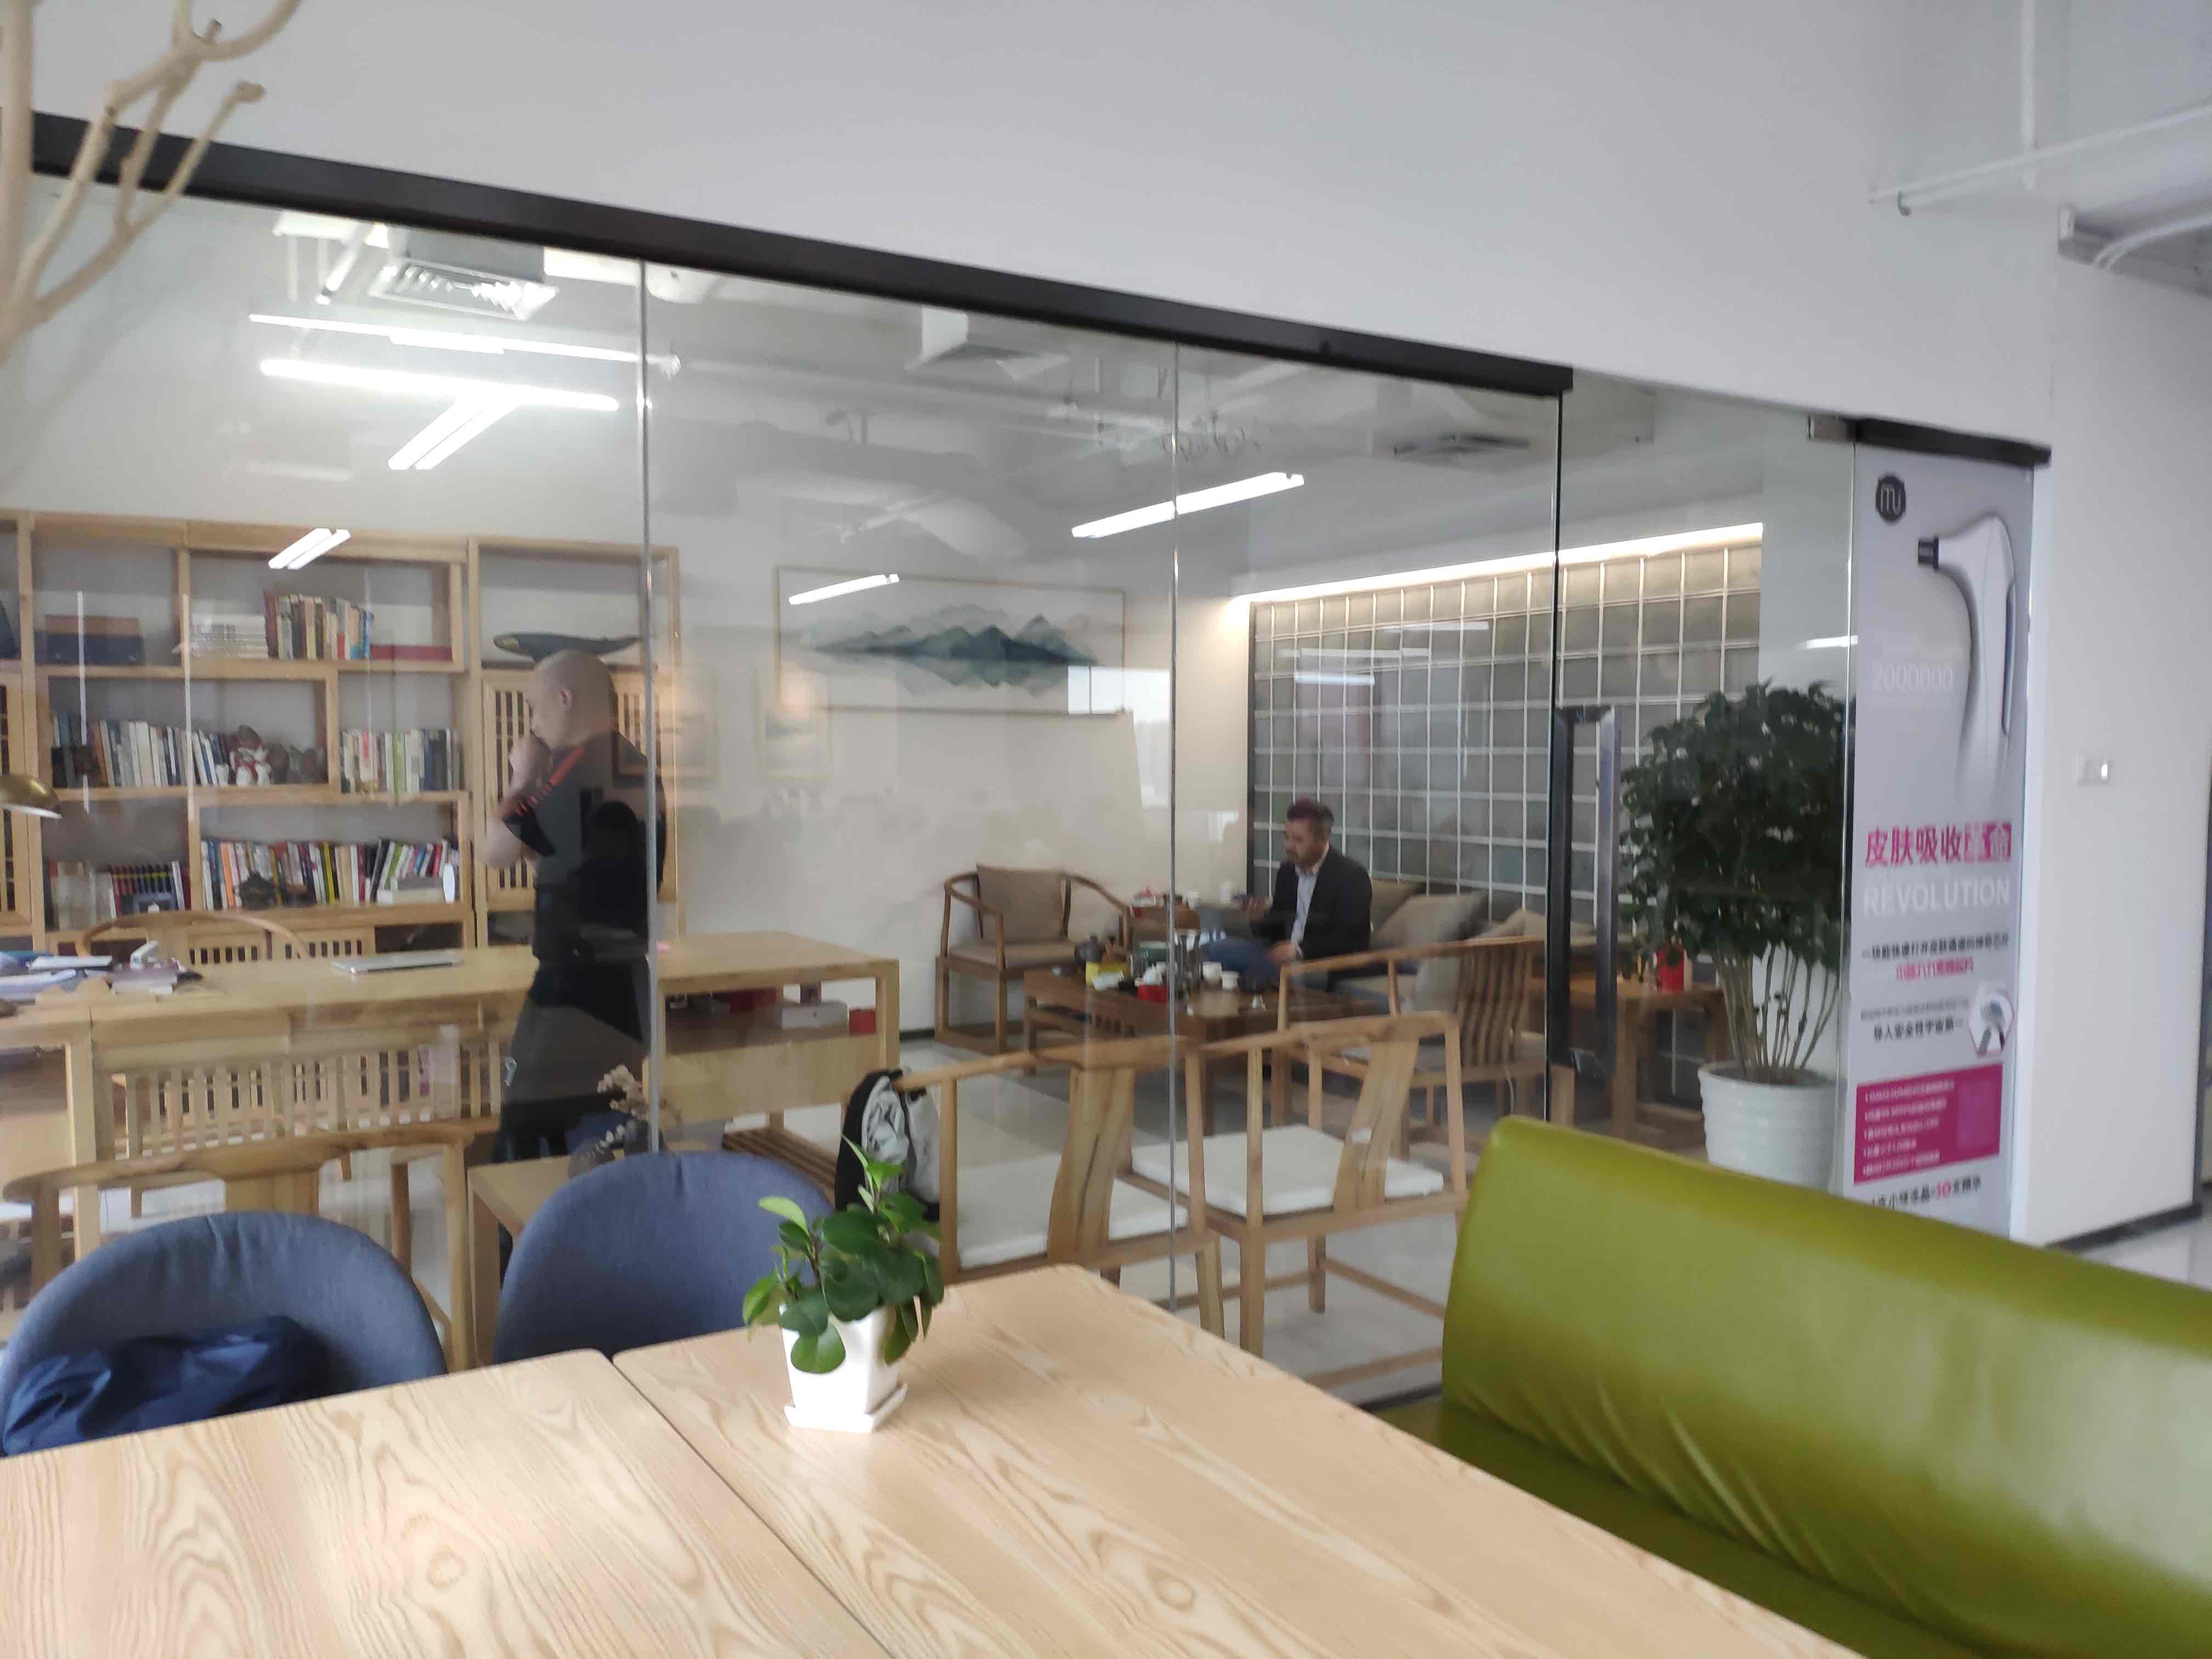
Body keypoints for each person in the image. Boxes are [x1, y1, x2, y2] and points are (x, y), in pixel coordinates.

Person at [483, 650, 663, 1161]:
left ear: (564, 699)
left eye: (534, 708)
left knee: (522, 1135)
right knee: (603, 1132)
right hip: (624, 986)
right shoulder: (633, 765)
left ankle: (532, 1216)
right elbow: (561, 865)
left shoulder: (577, 769)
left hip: (575, 994)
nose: (533, 725)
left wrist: (521, 777)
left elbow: (495, 851)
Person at [1207, 798, 1372, 989]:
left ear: (1323, 838)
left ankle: (1258, 988)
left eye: (1298, 840)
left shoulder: (1351, 876)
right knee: (1218, 949)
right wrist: (1259, 921)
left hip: (1320, 962)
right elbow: (1277, 931)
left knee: (1272, 971)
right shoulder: (1287, 872)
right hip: (1283, 956)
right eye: (1286, 837)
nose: (1288, 846)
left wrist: (1299, 950)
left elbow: (1352, 940)